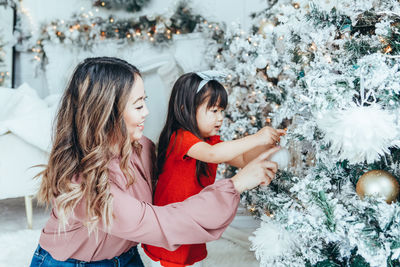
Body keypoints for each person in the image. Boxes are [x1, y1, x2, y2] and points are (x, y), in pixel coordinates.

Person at [29, 57, 280, 267]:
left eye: (144, 101)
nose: (147, 112)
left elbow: (173, 187)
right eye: (138, 106)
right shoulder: (82, 181)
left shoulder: (142, 148)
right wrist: (235, 185)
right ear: (106, 113)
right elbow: (160, 223)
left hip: (126, 258)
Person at [142, 72, 285, 267]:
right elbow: (213, 155)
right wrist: (256, 138)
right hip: (170, 226)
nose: (220, 118)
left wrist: (269, 147)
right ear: (186, 109)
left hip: (192, 221)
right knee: (171, 260)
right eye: (214, 110)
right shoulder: (180, 138)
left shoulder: (209, 142)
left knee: (191, 259)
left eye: (222, 111)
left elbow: (242, 159)